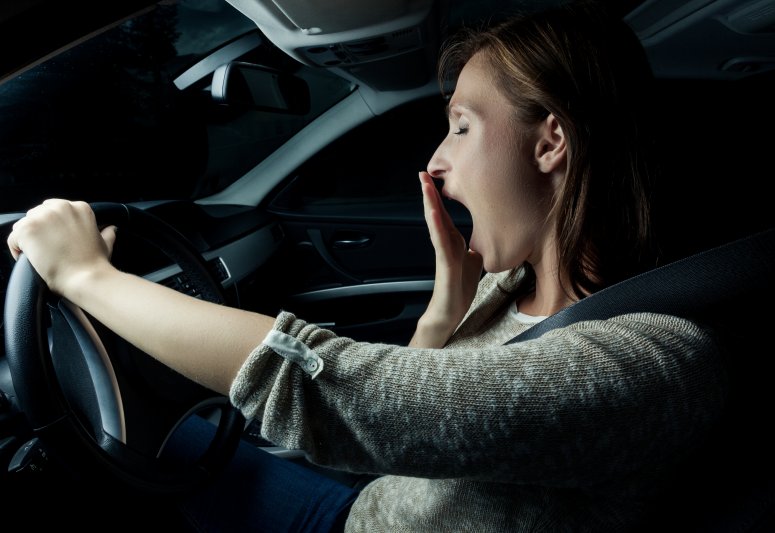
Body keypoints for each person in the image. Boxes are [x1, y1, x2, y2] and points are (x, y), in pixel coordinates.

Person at [6, 0, 728, 531]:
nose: (437, 162)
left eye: (462, 126)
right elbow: (406, 434)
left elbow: (366, 402)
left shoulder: (648, 363)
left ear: (550, 144)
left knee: (133, 461)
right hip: (368, 505)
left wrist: (87, 279)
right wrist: (448, 309)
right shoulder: (517, 286)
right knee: (163, 444)